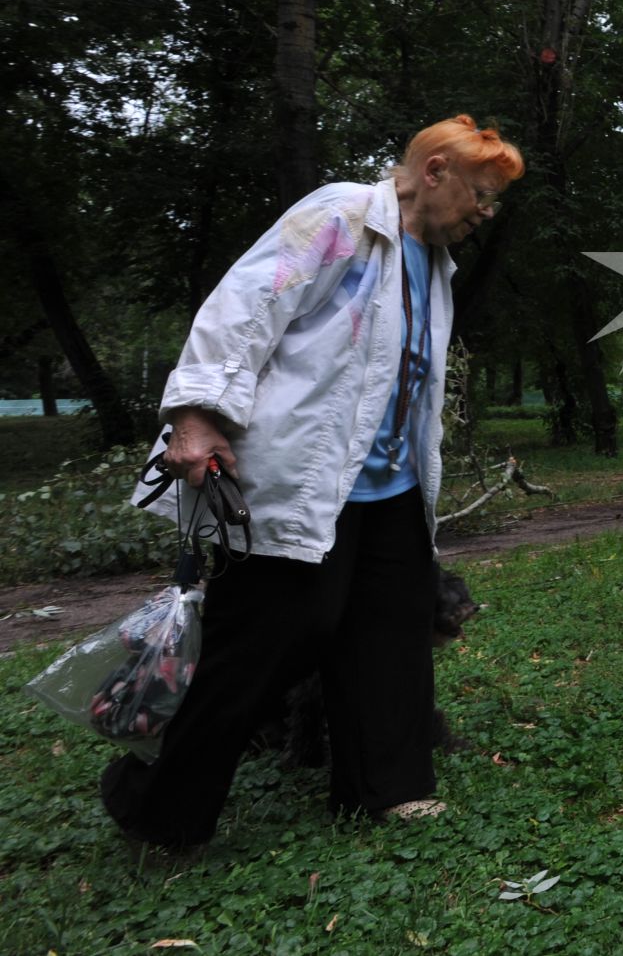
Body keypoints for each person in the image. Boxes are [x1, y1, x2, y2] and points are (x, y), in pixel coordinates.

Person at [102, 116, 524, 849]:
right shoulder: (341, 216)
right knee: (273, 636)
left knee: (391, 630)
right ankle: (159, 806)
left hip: (389, 486)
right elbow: (245, 307)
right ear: (434, 171)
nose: (485, 211)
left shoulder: (432, 260)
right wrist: (197, 417)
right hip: (306, 479)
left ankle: (385, 789)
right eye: (481, 194)